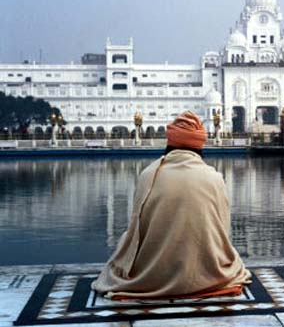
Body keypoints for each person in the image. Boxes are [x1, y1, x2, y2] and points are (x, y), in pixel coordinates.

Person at [92, 111, 251, 299]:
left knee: (125, 241)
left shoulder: (148, 174)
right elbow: (223, 231)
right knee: (232, 257)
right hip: (208, 273)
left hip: (152, 273)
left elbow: (137, 230)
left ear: (169, 144)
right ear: (199, 147)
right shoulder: (213, 178)